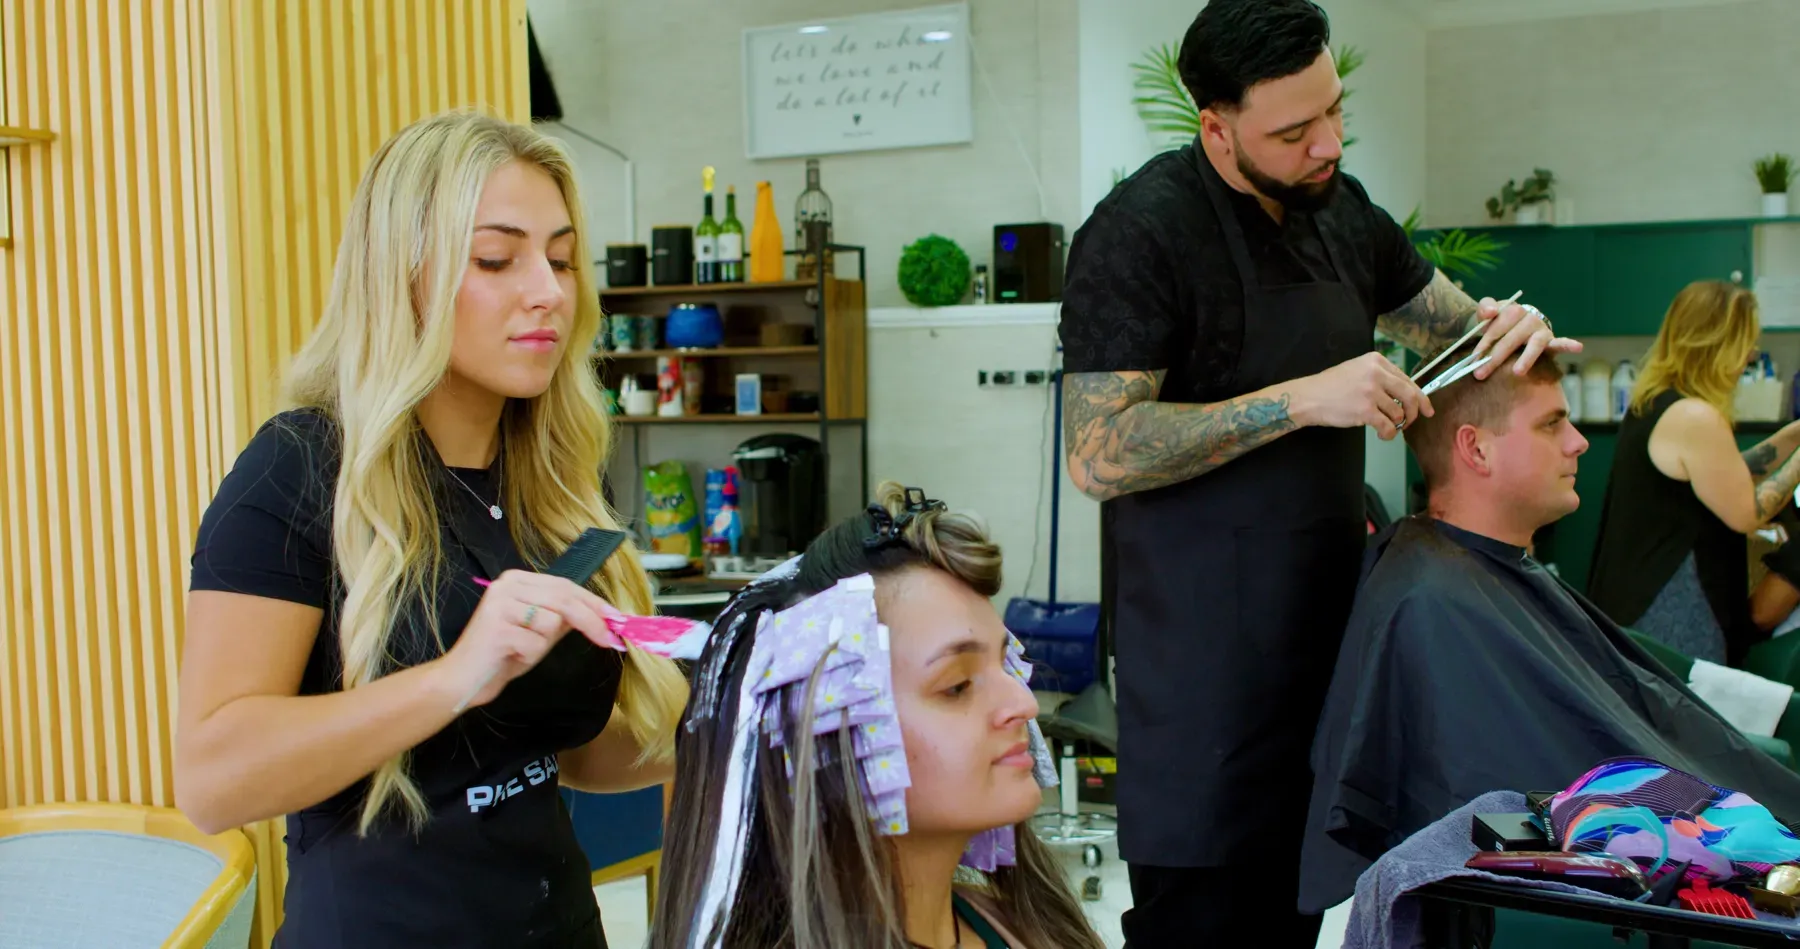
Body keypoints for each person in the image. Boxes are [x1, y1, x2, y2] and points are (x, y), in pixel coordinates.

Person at [1055, 0, 1578, 942]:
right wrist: (1301, 399)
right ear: (1216, 126)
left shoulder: (1341, 211)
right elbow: (1098, 453)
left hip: (1325, 654)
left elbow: (1453, 327)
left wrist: (1511, 327)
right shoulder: (1141, 233)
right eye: (1293, 131)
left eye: (1335, 112)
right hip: (1203, 687)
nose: (1327, 144)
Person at [175, 110, 689, 948]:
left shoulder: (548, 484)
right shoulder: (299, 470)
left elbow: (581, 755)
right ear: (401, 273)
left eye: (560, 259)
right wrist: (457, 675)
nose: (548, 291)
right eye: (498, 258)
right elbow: (212, 777)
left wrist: (751, 716)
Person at [1299, 356, 1800, 914]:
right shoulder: (1434, 603)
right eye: (1551, 423)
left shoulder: (1465, 577)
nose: (1579, 442)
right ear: (1477, 449)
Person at [651, 483, 1105, 949]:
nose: (1025, 705)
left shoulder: (1026, 925)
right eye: (958, 686)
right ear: (829, 734)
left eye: (1005, 663)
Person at [1590, 280, 1800, 666]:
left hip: (1633, 597)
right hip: (1673, 607)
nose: (1751, 354)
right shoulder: (1695, 417)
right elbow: (1745, 513)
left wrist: (1791, 437)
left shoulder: (1656, 403)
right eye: (1745, 343)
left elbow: (1723, 474)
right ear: (1717, 345)